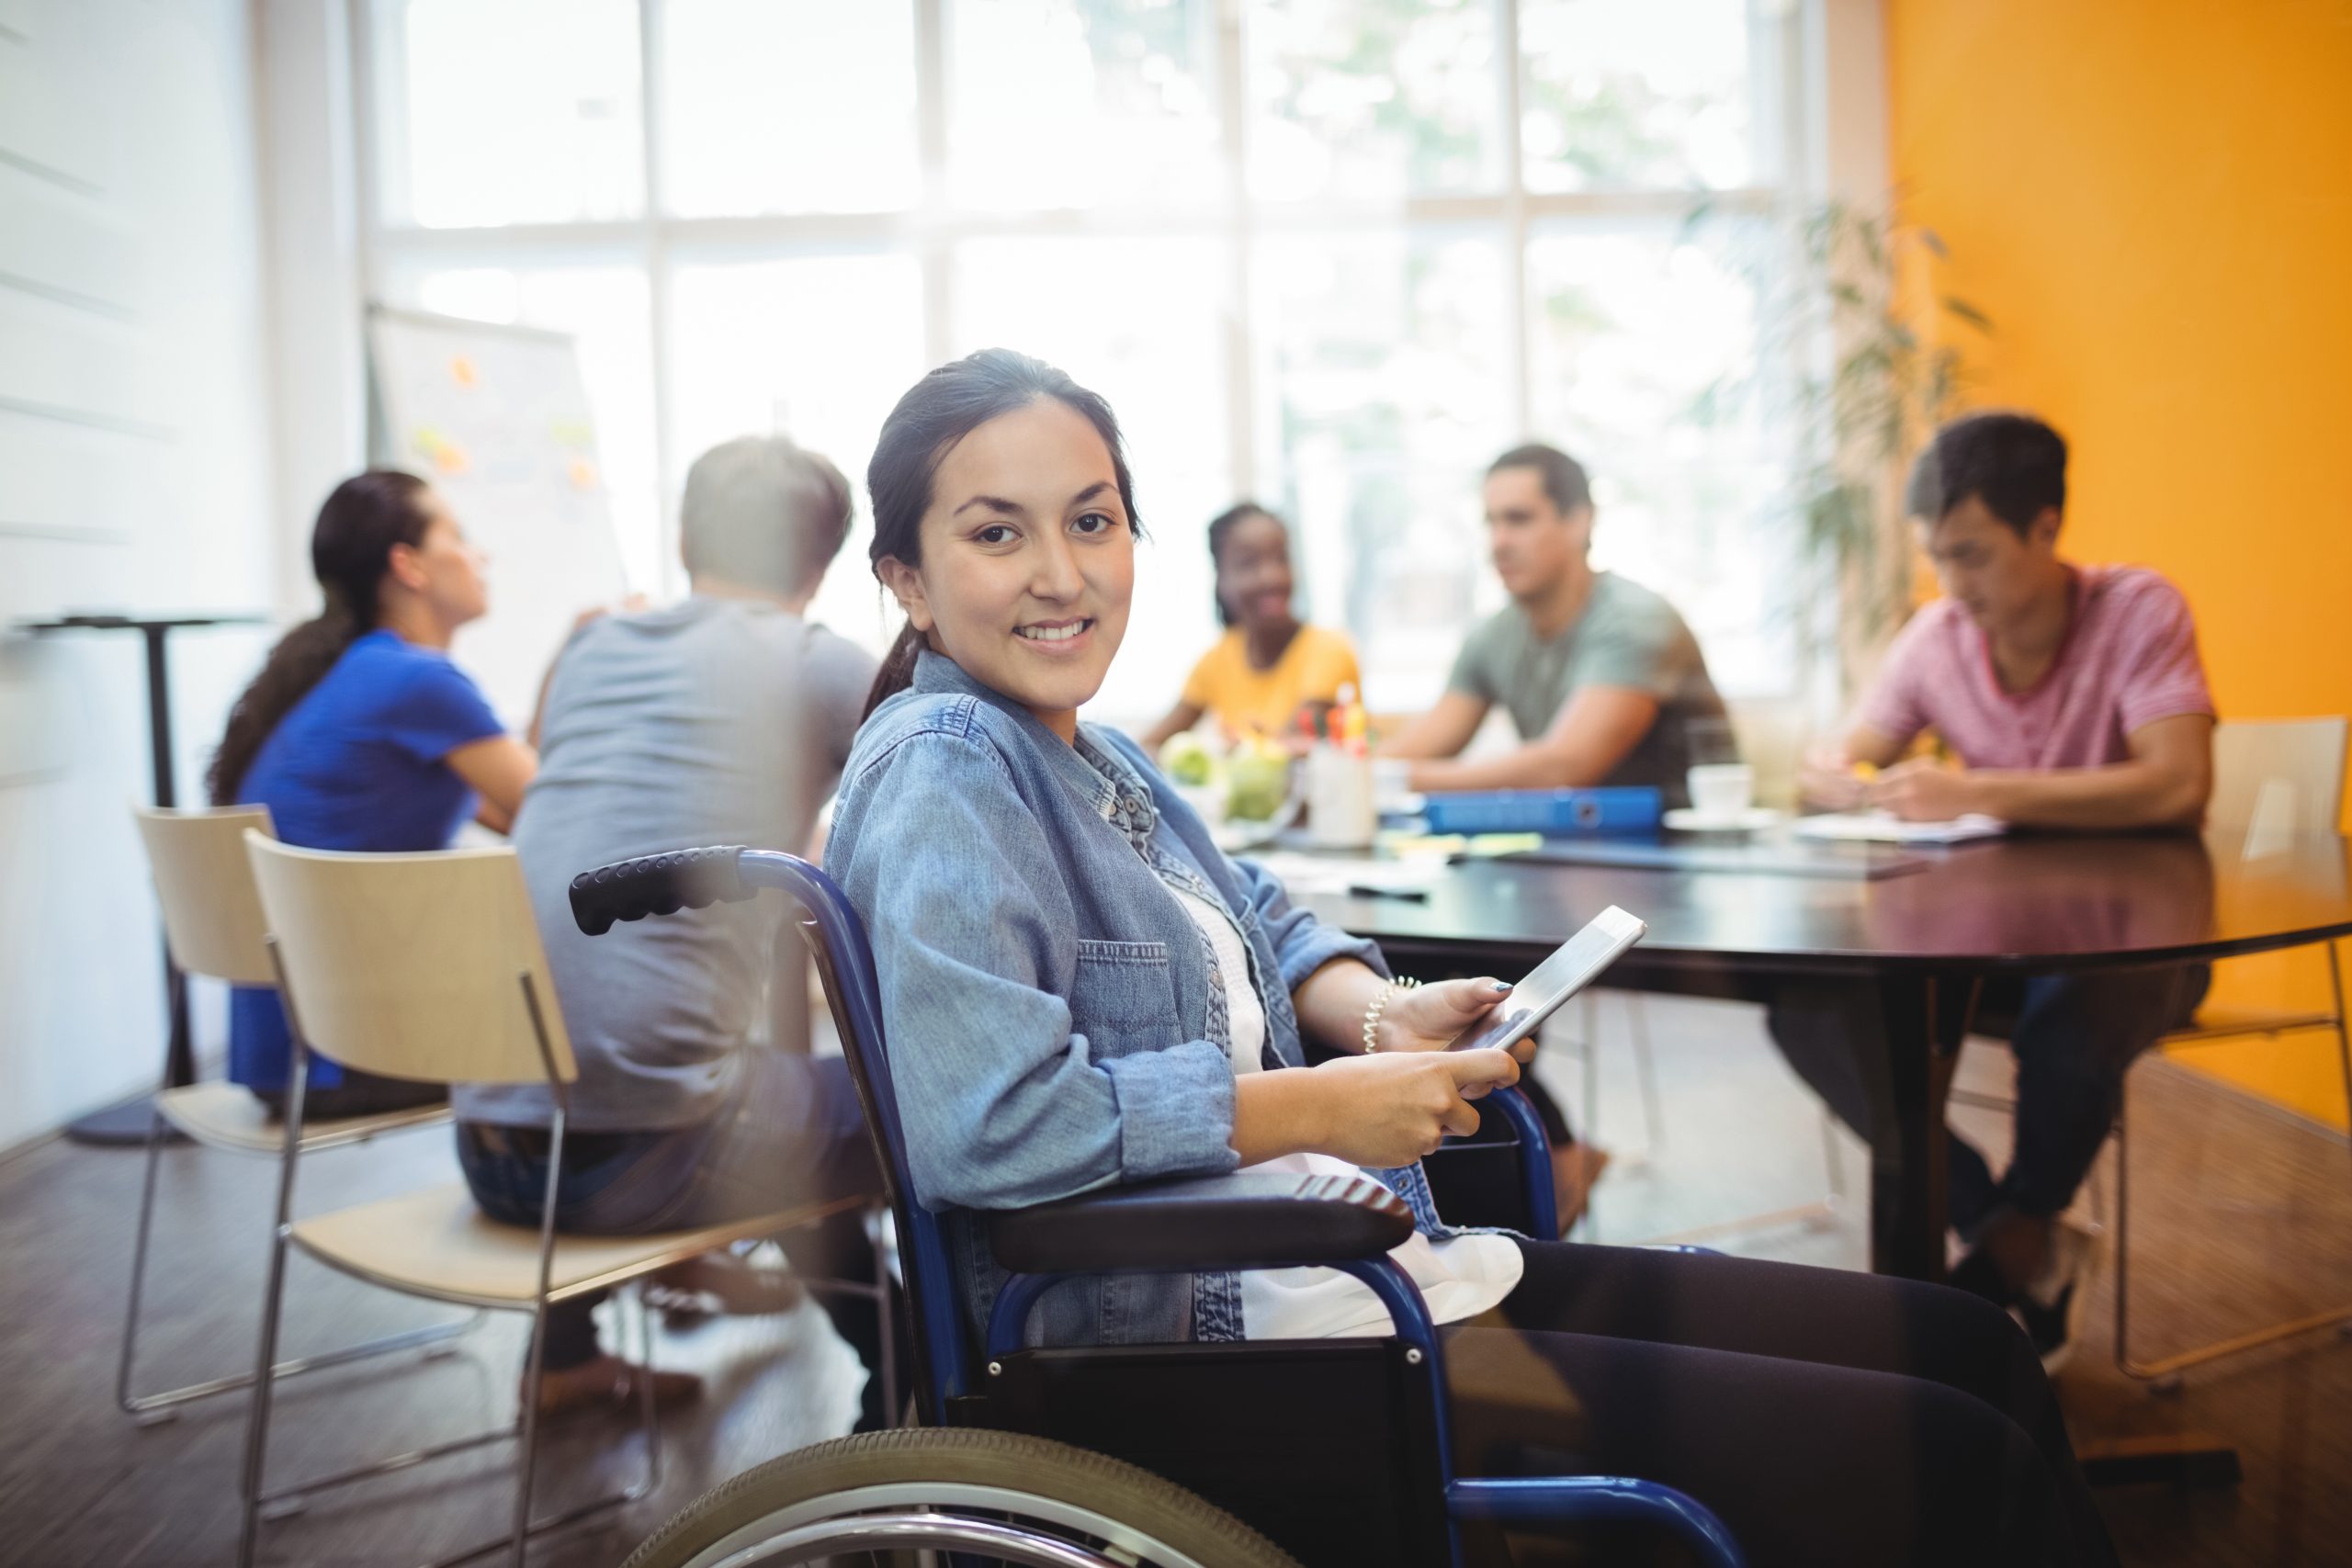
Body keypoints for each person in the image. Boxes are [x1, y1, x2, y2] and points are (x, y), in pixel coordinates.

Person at [824, 349, 2116, 1568]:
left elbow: (1267, 918)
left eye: (1093, 521)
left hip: (1338, 1273)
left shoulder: (1088, 752)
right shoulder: (949, 763)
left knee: (1973, 1343)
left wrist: (1382, 1012)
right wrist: (1332, 1103)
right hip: (1219, 1339)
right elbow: (992, 1125)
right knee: (1961, 1445)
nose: (1062, 571)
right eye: (999, 532)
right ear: (908, 577)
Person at [452, 435, 899, 1425]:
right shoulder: (819, 664)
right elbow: (933, 832)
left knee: (725, 1082)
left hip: (488, 1146)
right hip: (638, 1162)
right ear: (823, 566)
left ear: (685, 536)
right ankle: (909, 1378)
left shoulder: (592, 648)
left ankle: (564, 1351)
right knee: (920, 1098)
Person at [1776, 411, 2215, 1370]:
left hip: (2141, 945)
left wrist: (1972, 789)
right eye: (1938, 556)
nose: (1952, 583)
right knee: (1809, 1010)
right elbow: (1840, 758)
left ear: (2045, 527)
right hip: (1991, 942)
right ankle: (2013, 1233)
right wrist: (1840, 777)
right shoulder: (1937, 635)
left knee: (2074, 1007)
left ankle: (1997, 1249)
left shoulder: (2138, 611)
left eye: (1971, 555)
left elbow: (2178, 784)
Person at [208, 470, 536, 1118]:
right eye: (459, 535)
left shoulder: (353, 673)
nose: (480, 555)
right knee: (598, 1038)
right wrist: (580, 654)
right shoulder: (417, 682)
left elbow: (511, 807)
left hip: (283, 1056)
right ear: (408, 564)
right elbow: (558, 808)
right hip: (350, 1053)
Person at [1379, 443, 1728, 807]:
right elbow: (1418, 748)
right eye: (1491, 522)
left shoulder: (1636, 620)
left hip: (1682, 850)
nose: (1498, 543)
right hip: (1572, 850)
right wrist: (1343, 767)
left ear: (1579, 521)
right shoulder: (1491, 636)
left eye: (1518, 519)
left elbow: (1563, 768)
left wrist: (1394, 779)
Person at [1139, 502, 1361, 751]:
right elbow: (1147, 747)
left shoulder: (1329, 650)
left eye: (1281, 559)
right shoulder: (1216, 659)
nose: (1272, 577)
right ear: (1220, 577)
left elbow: (1285, 753)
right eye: (1249, 564)